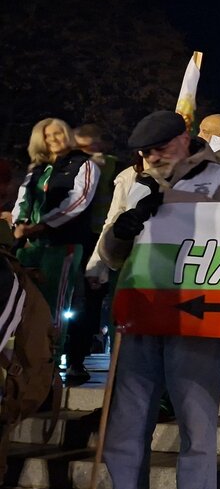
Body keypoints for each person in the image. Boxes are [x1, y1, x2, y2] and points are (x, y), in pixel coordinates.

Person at [98, 111, 220, 489]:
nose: (152, 158)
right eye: (145, 152)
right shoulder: (138, 183)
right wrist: (119, 233)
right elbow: (113, 257)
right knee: (126, 431)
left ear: (185, 138)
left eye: (160, 148)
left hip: (194, 323)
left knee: (197, 433)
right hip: (141, 319)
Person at [11, 119, 99, 361]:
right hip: (28, 244)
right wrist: (19, 225)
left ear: (67, 134)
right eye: (47, 136)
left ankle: (50, 357)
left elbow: (77, 201)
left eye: (57, 133)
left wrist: (43, 225)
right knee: (21, 299)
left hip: (62, 243)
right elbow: (23, 199)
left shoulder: (84, 164)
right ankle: (21, 357)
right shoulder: (37, 169)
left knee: (54, 302)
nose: (53, 139)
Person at [63, 125, 119, 385]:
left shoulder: (114, 169)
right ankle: (73, 357)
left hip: (98, 243)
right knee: (79, 304)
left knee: (87, 303)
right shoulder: (67, 166)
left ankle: (77, 357)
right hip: (76, 242)